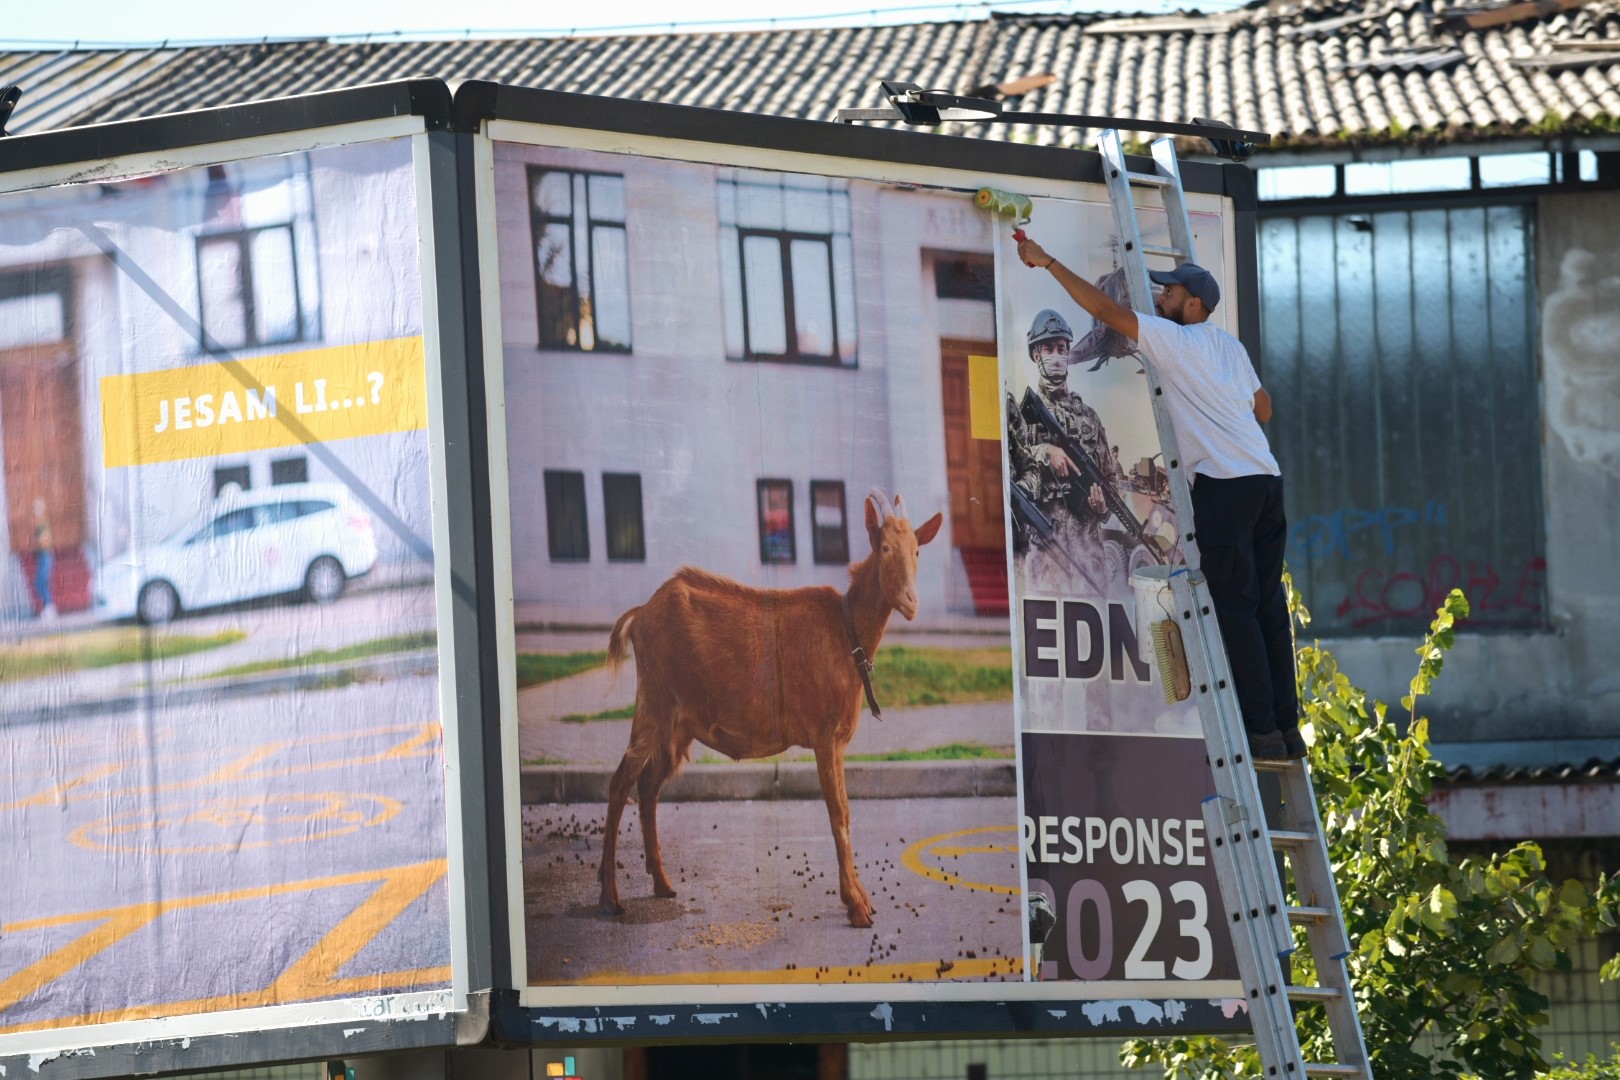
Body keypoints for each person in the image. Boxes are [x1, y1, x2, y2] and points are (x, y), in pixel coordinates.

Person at [1015, 235, 1305, 761]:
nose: (1162, 298)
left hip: (1226, 486)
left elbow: (1102, 309)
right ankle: (1287, 729)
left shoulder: (1175, 340)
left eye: (1170, 293)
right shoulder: (1229, 347)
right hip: (1267, 480)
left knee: (1235, 607)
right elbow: (1264, 409)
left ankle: (1259, 730)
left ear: (1193, 305)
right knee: (1268, 609)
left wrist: (1048, 259)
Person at [1007, 308, 1125, 596]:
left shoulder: (1089, 418)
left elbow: (1114, 478)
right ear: (1036, 354)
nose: (1056, 355)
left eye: (1061, 348)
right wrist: (1045, 451)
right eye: (1049, 348)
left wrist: (1104, 506)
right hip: (1046, 561)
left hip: (1089, 562)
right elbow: (1008, 471)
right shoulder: (1020, 417)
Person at [31, 497, 55, 621]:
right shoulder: (39, 524)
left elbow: (44, 540)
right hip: (42, 556)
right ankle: (48, 606)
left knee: (42, 582)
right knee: (40, 583)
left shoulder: (43, 524)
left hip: (45, 555)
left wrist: (37, 542)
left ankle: (49, 607)